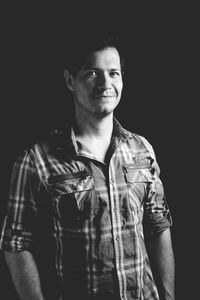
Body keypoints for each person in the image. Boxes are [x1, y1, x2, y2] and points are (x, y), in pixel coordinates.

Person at [0, 33, 175, 300]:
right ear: (70, 80)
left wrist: (168, 296)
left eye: (114, 73)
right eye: (93, 73)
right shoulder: (36, 161)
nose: (106, 84)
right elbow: (16, 243)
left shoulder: (142, 149)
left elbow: (158, 226)